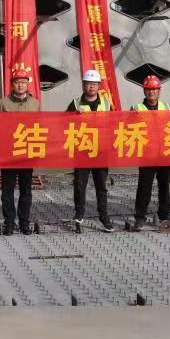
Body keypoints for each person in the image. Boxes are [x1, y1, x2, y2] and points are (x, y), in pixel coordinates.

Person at [0, 65, 41, 236]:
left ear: (27, 84)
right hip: (8, 153)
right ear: (12, 84)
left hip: (27, 153)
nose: (20, 85)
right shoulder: (3, 103)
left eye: (23, 82)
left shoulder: (35, 104)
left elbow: (40, 126)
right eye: (17, 82)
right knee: (7, 190)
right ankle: (9, 223)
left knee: (26, 190)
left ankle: (24, 222)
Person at [67, 70, 114, 232]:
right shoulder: (75, 103)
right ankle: (79, 215)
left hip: (101, 151)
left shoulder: (106, 103)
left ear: (99, 85)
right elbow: (63, 122)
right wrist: (74, 115)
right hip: (82, 151)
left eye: (94, 84)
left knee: (101, 186)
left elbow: (116, 122)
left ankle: (104, 217)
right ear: (84, 85)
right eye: (89, 83)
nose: (91, 87)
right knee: (80, 185)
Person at [129, 75, 170, 229]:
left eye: (154, 89)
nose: (151, 92)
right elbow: (127, 128)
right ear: (144, 91)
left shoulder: (166, 107)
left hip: (164, 153)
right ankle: (140, 217)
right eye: (148, 89)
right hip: (147, 154)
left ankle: (164, 214)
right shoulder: (137, 108)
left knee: (164, 185)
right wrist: (131, 117)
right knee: (144, 187)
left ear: (159, 91)